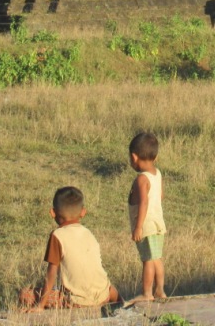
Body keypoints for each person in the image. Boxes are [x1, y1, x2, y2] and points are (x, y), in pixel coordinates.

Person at [19, 186, 119, 311]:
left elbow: (51, 274)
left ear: (53, 213)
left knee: (25, 294)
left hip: (77, 302)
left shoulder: (57, 236)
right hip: (103, 296)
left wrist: (40, 305)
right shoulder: (88, 233)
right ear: (83, 212)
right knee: (108, 285)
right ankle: (121, 303)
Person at [127, 132, 167, 304]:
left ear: (134, 157)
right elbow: (161, 196)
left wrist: (138, 226)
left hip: (147, 225)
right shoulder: (157, 174)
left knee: (147, 260)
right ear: (155, 157)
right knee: (156, 258)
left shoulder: (141, 179)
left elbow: (143, 202)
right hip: (158, 223)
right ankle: (160, 290)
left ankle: (147, 293)